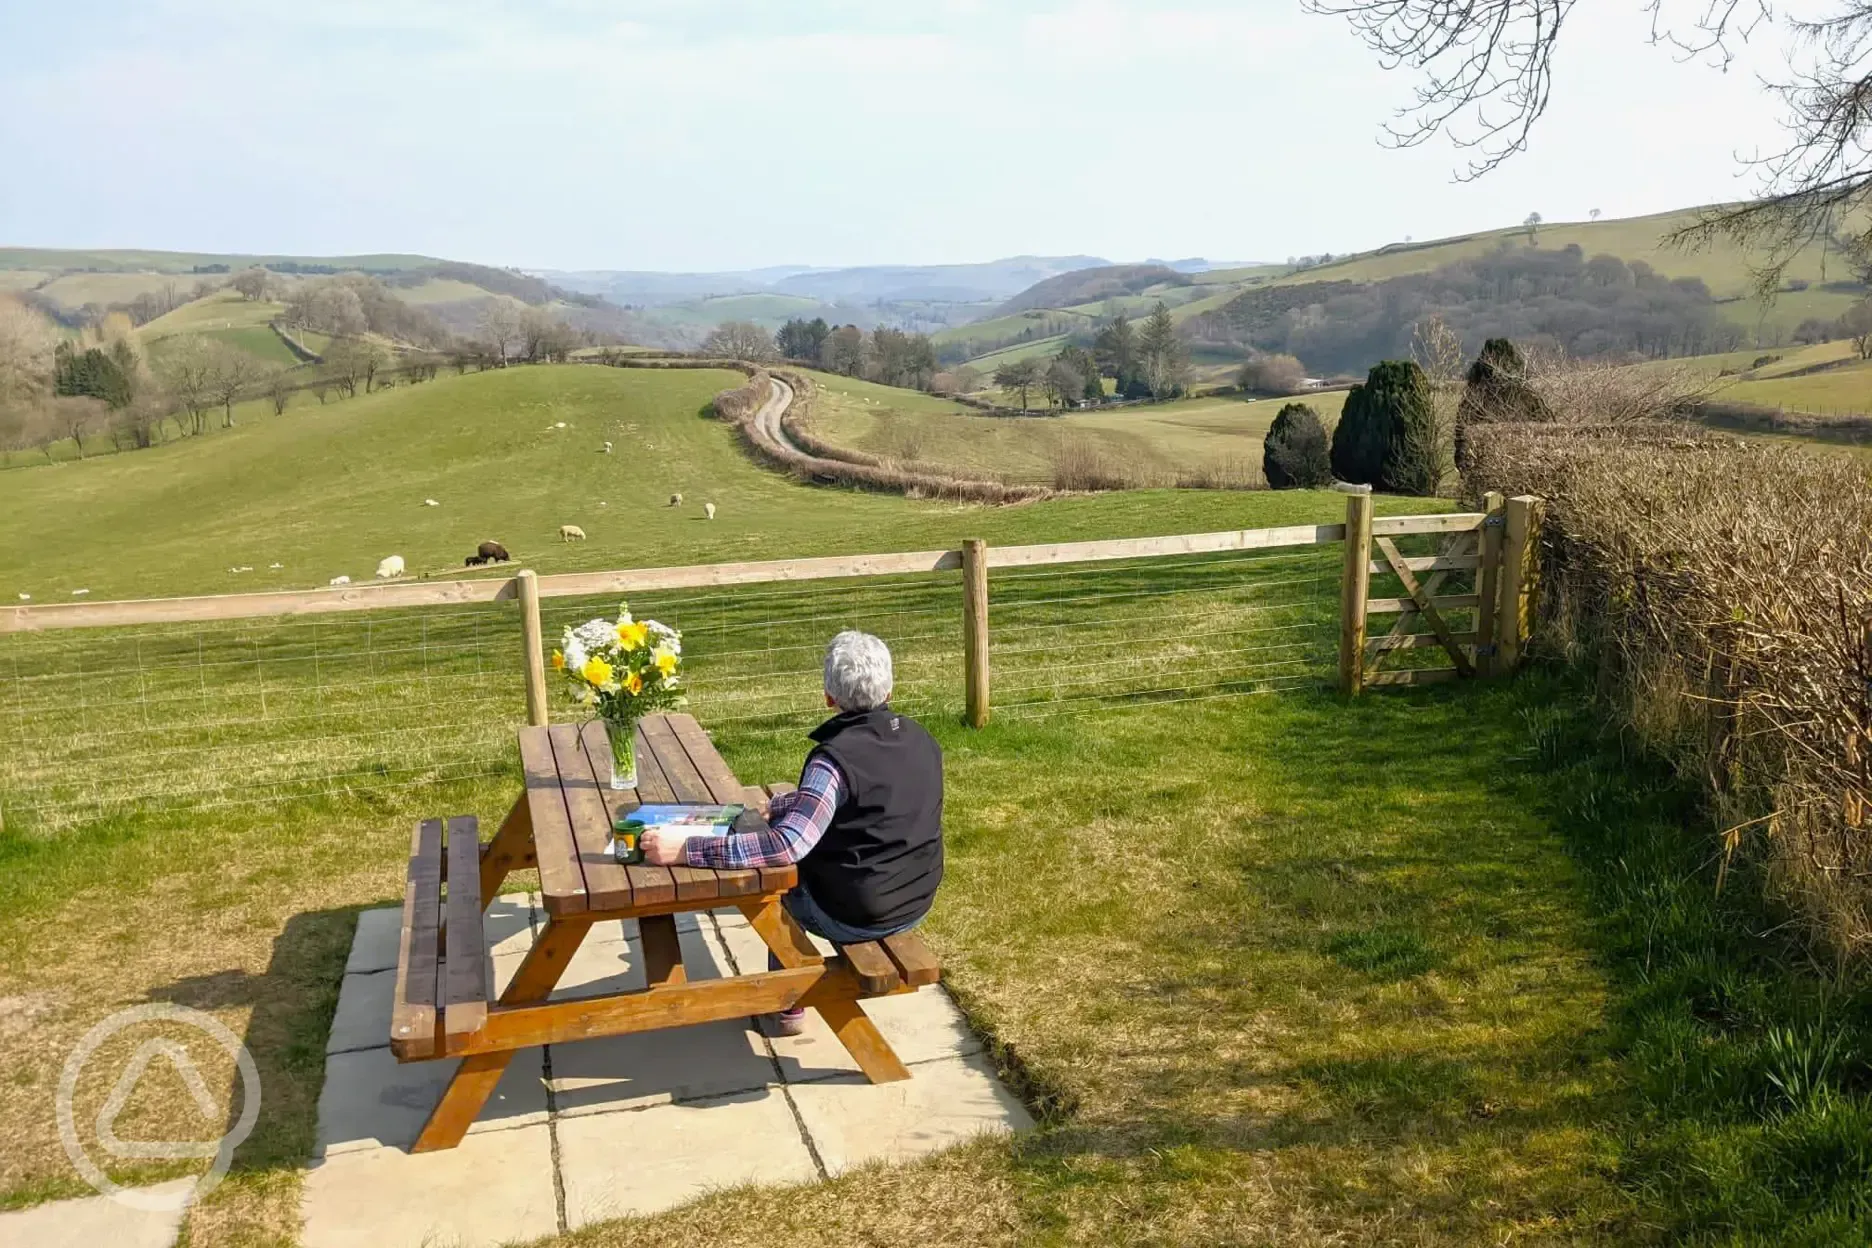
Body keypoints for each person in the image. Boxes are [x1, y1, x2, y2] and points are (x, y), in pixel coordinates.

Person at [641, 630, 944, 1034]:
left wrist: (686, 849)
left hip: (855, 914)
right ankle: (789, 999)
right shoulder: (920, 737)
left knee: (775, 889)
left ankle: (787, 1005)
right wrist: (787, 805)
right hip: (916, 898)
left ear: (829, 697)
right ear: (890, 688)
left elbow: (784, 846)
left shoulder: (834, 760)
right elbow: (873, 803)